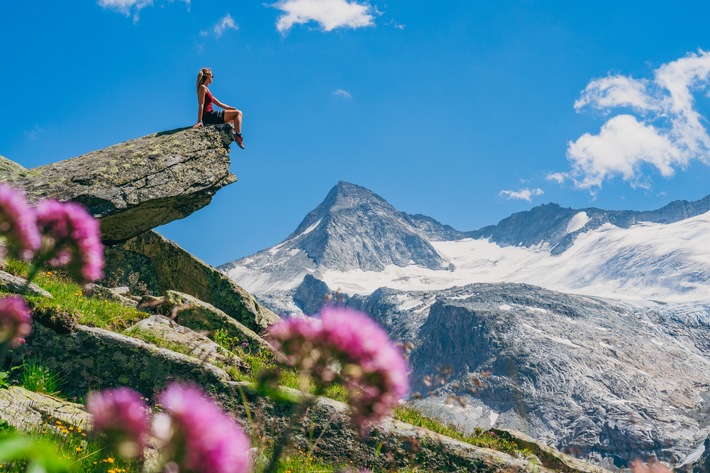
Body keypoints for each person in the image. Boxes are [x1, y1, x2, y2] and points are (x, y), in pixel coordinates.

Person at [192, 67, 245, 149]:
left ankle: (230, 133)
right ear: (208, 76)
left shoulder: (207, 89)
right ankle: (238, 136)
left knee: (237, 115)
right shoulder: (202, 88)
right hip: (209, 116)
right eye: (212, 76)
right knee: (238, 113)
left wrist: (234, 109)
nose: (212, 78)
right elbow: (201, 104)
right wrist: (199, 121)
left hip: (211, 116)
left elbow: (219, 104)